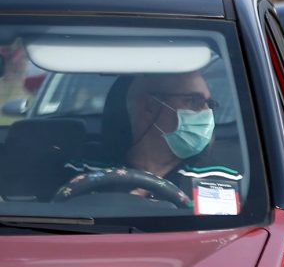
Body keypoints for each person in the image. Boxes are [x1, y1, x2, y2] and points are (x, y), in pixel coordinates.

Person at [59, 70, 242, 209]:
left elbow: (220, 242)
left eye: (209, 104)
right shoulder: (84, 170)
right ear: (150, 106)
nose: (206, 113)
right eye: (193, 101)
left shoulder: (219, 178)